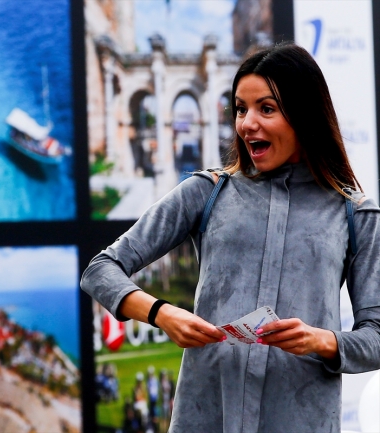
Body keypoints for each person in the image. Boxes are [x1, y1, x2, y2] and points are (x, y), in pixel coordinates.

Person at [80, 42, 380, 432]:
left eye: (266, 109)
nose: (247, 124)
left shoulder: (355, 213)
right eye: (240, 108)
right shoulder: (206, 192)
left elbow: (376, 336)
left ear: (304, 113)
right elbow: (100, 269)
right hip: (203, 420)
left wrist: (322, 341)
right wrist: (162, 314)